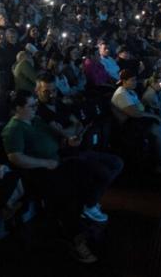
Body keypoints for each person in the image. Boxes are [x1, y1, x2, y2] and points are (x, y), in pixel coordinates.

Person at [1, 90, 98, 264]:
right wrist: (45, 163)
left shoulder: (36, 120)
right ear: (17, 108)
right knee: (66, 191)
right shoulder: (13, 129)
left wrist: (68, 141)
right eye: (31, 106)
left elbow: (56, 137)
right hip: (38, 171)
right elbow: (16, 157)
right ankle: (74, 238)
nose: (35, 109)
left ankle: (78, 215)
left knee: (87, 172)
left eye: (35, 105)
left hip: (55, 162)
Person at [33, 73, 124, 223]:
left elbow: (78, 124)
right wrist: (70, 130)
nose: (51, 94)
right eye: (46, 91)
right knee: (105, 173)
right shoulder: (40, 112)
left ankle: (90, 200)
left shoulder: (59, 104)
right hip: (62, 155)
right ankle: (89, 205)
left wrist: (69, 131)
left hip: (76, 148)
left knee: (117, 162)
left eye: (54, 90)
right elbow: (63, 132)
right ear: (37, 91)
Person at [111, 70, 161, 176]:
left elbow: (140, 108)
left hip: (138, 120)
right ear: (124, 81)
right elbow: (135, 113)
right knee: (158, 131)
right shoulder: (121, 94)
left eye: (135, 80)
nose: (135, 82)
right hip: (129, 125)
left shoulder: (131, 92)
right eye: (132, 80)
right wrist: (154, 117)